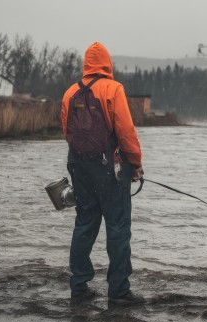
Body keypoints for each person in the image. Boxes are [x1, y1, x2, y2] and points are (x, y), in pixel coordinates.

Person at [61, 42, 144, 305]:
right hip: (110, 168)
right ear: (107, 64)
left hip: (78, 165)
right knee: (118, 227)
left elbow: (67, 132)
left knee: (85, 223)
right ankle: (118, 291)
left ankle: (80, 286)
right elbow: (126, 132)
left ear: (86, 64)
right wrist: (135, 163)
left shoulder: (69, 93)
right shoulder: (113, 88)